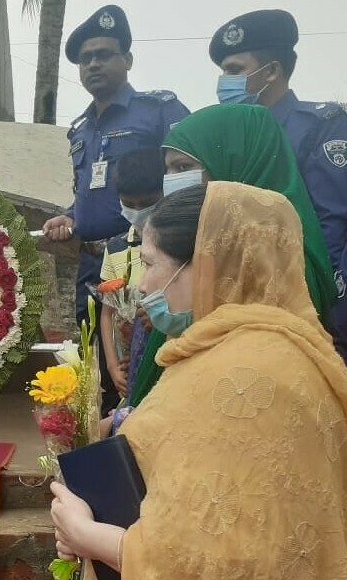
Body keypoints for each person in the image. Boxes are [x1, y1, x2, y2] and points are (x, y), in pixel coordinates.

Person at [50, 181, 347, 580]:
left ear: (205, 264)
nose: (141, 286)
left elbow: (223, 562)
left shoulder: (244, 379)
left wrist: (91, 536)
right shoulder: (263, 353)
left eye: (150, 264)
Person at [129, 104, 339, 407]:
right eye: (168, 169)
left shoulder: (287, 262)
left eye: (183, 168)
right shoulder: (211, 242)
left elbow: (253, 359)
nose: (171, 180)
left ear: (233, 163)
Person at [41, 4, 188, 415]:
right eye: (85, 58)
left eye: (103, 54)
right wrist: (71, 214)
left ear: (127, 59)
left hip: (150, 262)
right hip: (95, 267)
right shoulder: (80, 129)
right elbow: (89, 190)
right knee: (100, 374)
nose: (92, 64)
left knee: (150, 369)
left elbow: (189, 174)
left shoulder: (157, 110)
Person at [210, 8, 347, 359]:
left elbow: (331, 226)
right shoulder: (229, 137)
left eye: (234, 70)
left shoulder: (320, 126)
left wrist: (321, 306)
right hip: (244, 310)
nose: (224, 81)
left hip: (307, 309)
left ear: (270, 71)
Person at [98, 147, 162, 399]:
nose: (137, 211)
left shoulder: (179, 246)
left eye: (147, 204)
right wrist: (113, 366)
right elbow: (107, 313)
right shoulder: (116, 248)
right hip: (129, 361)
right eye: (129, 204)